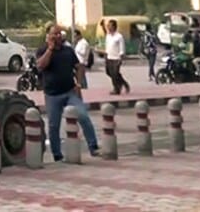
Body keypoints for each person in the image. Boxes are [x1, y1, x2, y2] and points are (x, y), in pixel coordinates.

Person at [35, 24, 99, 162]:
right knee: (53, 125)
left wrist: (78, 83)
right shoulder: (42, 50)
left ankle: (93, 146)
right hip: (52, 95)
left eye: (59, 34)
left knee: (83, 115)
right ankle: (57, 154)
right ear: (48, 36)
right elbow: (40, 65)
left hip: (70, 91)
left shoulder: (68, 51)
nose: (58, 36)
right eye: (55, 34)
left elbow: (79, 67)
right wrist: (50, 49)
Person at [104, 19, 131, 95]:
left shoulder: (119, 36)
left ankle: (116, 89)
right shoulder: (108, 36)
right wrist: (106, 56)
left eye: (110, 26)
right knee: (109, 72)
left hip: (116, 58)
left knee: (115, 74)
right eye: (107, 26)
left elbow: (122, 48)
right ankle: (123, 83)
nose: (108, 27)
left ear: (114, 27)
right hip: (109, 57)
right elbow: (107, 47)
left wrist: (121, 58)